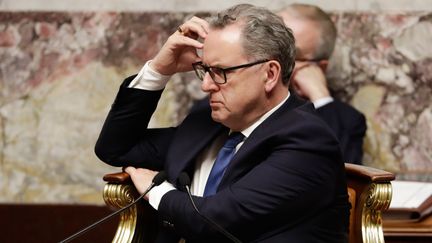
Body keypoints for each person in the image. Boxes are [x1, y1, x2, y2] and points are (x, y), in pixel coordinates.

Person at [95, 4, 349, 243]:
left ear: (269, 74)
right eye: (205, 70)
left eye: (221, 72)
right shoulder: (207, 121)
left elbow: (214, 222)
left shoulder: (308, 139)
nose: (206, 85)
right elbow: (115, 148)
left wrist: (158, 191)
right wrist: (160, 70)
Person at [278, 4, 367, 164]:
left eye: (291, 55)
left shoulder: (348, 122)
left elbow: (343, 179)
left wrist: (320, 96)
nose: (274, 63)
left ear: (319, 67)